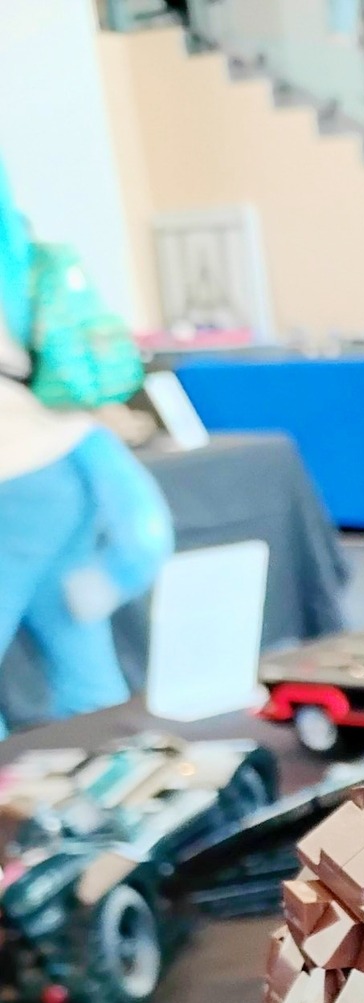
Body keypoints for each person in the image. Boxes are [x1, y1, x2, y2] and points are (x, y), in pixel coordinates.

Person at [0, 161, 172, 736]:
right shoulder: (22, 260)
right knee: (76, 643)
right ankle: (114, 767)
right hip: (59, 462)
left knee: (73, 637)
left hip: (13, 476)